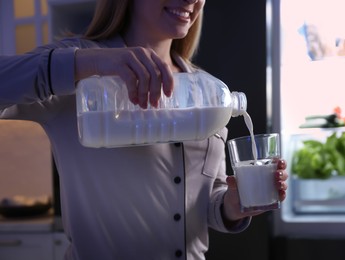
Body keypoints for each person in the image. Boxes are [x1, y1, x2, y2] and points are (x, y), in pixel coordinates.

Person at [0, 0, 288, 259]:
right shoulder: (80, 68)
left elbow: (205, 200)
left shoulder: (209, 93)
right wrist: (92, 63)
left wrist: (232, 204)